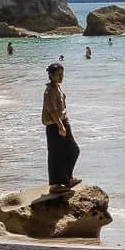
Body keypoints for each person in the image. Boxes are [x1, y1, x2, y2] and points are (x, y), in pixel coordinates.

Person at [42, 63, 80, 193]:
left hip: (63, 121)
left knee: (73, 150)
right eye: (58, 75)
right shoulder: (49, 91)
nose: (61, 77)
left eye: (62, 74)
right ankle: (55, 184)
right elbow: (51, 110)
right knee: (55, 154)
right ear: (51, 76)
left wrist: (63, 124)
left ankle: (67, 178)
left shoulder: (57, 88)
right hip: (55, 124)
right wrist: (60, 126)